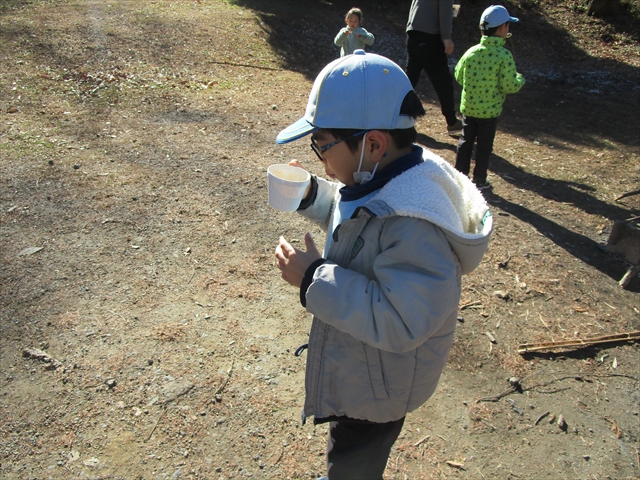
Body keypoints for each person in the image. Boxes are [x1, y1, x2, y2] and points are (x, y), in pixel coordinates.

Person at [272, 50, 493, 480]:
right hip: (367, 370)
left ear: (372, 143)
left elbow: (401, 321)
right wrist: (309, 194)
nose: (319, 156)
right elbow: (355, 218)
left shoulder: (416, 225)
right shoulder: (387, 175)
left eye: (322, 145)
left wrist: (313, 279)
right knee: (350, 456)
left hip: (377, 389)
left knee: (352, 461)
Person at [454, 5, 526, 190]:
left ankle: (460, 177)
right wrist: (520, 79)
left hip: (469, 108)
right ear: (502, 28)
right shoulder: (504, 55)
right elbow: (509, 85)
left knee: (465, 142)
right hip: (490, 112)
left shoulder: (471, 52)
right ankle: (479, 179)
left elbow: (458, 75)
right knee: (484, 146)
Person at [406, 0, 462, 134]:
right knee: (443, 82)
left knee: (409, 79)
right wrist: (446, 37)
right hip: (429, 36)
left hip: (413, 33)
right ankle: (452, 122)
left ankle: (393, 115)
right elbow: (445, 11)